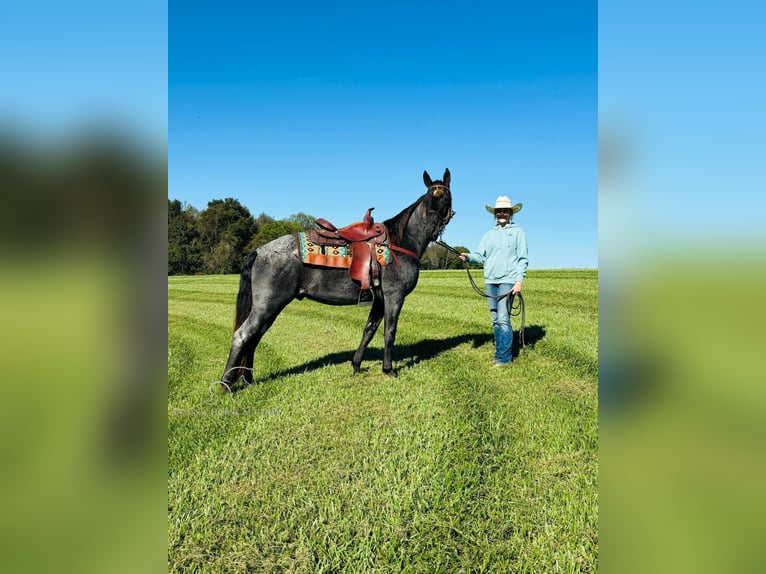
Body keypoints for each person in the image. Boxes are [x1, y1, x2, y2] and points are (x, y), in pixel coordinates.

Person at [460, 196, 528, 367]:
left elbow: (523, 259)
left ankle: (503, 359)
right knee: (495, 319)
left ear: (511, 213)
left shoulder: (518, 232)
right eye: (499, 212)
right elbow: (480, 256)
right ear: (495, 214)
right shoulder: (488, 235)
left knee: (503, 319)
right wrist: (468, 257)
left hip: (508, 280)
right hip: (490, 280)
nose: (502, 214)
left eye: (505, 211)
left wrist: (519, 281)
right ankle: (500, 352)